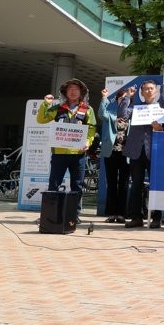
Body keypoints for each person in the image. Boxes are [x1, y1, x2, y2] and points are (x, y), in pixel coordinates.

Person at [37, 78, 97, 219]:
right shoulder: (58, 108)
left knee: (77, 185)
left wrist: (88, 142)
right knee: (54, 183)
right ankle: (51, 214)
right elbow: (41, 119)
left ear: (81, 92)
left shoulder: (87, 109)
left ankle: (74, 215)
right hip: (59, 153)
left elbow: (92, 128)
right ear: (65, 92)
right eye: (70, 89)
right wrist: (45, 104)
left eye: (76, 89)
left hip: (78, 153)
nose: (73, 91)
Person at [120, 76, 164, 229]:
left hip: (155, 152)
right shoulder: (137, 106)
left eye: (151, 88)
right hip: (136, 151)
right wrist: (127, 98)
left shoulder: (161, 109)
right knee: (135, 185)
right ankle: (136, 217)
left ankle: (156, 217)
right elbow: (122, 115)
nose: (149, 91)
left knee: (155, 185)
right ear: (142, 92)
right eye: (146, 89)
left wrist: (159, 129)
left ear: (156, 91)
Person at [98, 87, 130, 223]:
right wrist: (104, 98)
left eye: (126, 98)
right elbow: (101, 114)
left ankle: (122, 214)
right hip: (110, 152)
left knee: (124, 183)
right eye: (121, 98)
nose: (123, 100)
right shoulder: (111, 114)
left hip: (126, 153)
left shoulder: (132, 114)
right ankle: (111, 213)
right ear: (116, 100)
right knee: (111, 183)